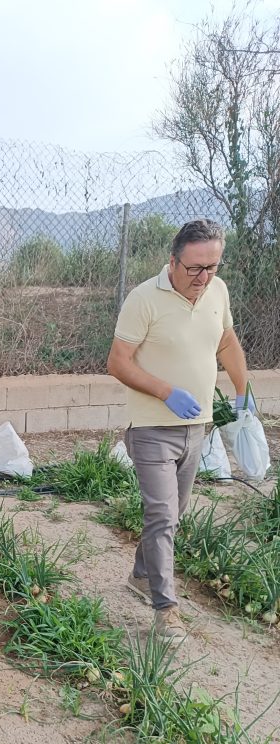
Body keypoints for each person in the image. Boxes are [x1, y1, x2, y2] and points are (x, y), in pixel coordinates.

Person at [106, 218, 252, 643]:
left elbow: (226, 341)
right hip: (152, 427)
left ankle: (141, 574)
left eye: (212, 267)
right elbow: (117, 362)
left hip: (197, 427)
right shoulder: (143, 299)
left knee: (173, 513)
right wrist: (165, 391)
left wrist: (243, 391)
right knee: (163, 514)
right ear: (172, 262)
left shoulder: (217, 291)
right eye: (194, 268)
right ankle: (165, 609)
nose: (203, 277)